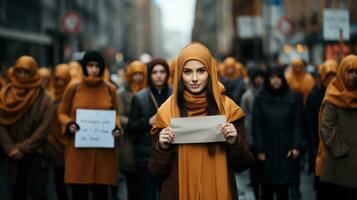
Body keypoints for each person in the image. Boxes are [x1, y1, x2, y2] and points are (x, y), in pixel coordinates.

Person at [148, 43, 253, 199]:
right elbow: (155, 171)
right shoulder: (166, 112)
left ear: (210, 72)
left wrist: (234, 142)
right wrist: (162, 147)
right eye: (188, 72)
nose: (195, 78)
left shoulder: (229, 110)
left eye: (201, 71)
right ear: (180, 75)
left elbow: (243, 165)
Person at [58, 51, 122, 200]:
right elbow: (61, 113)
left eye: (97, 66)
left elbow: (116, 114)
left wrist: (116, 127)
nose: (93, 69)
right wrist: (69, 124)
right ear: (84, 67)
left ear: (102, 68)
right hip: (79, 151)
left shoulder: (109, 89)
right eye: (90, 65)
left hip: (104, 152)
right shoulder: (73, 88)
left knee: (101, 193)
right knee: (79, 193)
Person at [0, 55, 55, 200]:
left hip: (35, 154)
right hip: (11, 155)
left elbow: (44, 128)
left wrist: (22, 148)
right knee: (15, 191)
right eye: (19, 72)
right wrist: (10, 147)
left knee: (36, 192)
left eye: (27, 72)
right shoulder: (5, 94)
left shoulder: (45, 98)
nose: (23, 76)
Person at [253, 67, 303, 200]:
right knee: (267, 190)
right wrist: (259, 150)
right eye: (272, 77)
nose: (275, 80)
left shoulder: (292, 97)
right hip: (267, 150)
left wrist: (296, 146)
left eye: (278, 77)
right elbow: (256, 126)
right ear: (268, 79)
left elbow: (297, 124)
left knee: (283, 191)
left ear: (282, 78)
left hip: (286, 150)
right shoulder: (260, 98)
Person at [127, 58, 172, 200]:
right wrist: (148, 122)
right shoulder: (140, 98)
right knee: (147, 195)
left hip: (170, 155)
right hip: (146, 157)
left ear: (167, 74)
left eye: (162, 72)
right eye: (154, 72)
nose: (159, 75)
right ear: (150, 75)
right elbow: (131, 127)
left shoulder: (175, 95)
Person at [317, 55, 357, 200]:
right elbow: (326, 127)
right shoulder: (333, 95)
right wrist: (340, 149)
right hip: (339, 158)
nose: (354, 76)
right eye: (350, 71)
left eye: (356, 72)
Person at [117, 60, 147, 200]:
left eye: (140, 73)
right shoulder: (122, 93)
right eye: (134, 73)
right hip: (128, 139)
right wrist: (133, 123)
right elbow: (118, 115)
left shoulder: (148, 91)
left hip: (145, 138)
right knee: (131, 179)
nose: (137, 77)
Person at [47, 63, 71, 200]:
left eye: (63, 79)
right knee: (59, 177)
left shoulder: (72, 94)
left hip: (70, 143)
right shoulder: (50, 96)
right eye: (57, 79)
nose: (60, 83)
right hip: (54, 144)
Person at [241, 67, 265, 199]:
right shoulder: (247, 96)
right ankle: (257, 194)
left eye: (261, 77)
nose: (259, 80)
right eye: (256, 77)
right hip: (251, 136)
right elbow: (243, 116)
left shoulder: (267, 94)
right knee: (254, 168)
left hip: (265, 136)